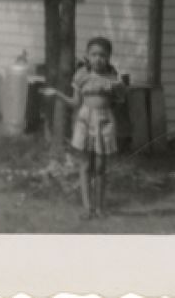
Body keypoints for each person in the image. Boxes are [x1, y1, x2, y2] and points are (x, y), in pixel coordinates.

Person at [42, 36, 123, 220]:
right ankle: (87, 208)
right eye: (94, 54)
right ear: (87, 55)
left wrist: (120, 88)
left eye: (102, 55)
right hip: (85, 121)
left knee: (101, 166)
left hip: (104, 121)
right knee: (85, 165)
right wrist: (57, 94)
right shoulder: (81, 75)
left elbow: (120, 99)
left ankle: (100, 208)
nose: (98, 59)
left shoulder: (112, 75)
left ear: (109, 57)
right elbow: (75, 102)